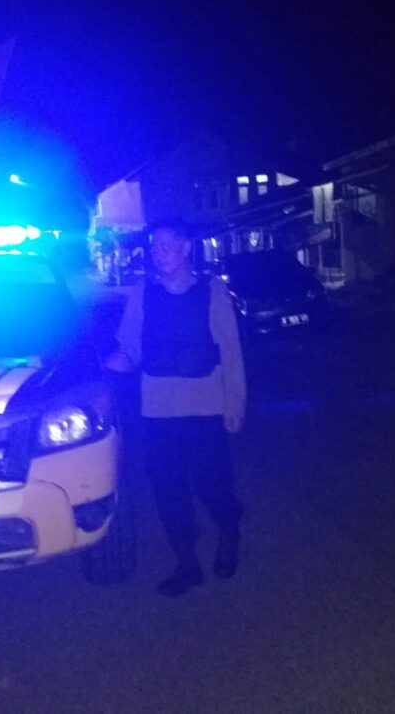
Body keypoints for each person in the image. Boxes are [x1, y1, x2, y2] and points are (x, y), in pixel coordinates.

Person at [106, 218, 246, 597]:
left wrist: (234, 402)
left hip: (205, 407)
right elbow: (130, 349)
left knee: (213, 484)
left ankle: (229, 528)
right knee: (168, 490)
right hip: (158, 411)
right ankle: (187, 562)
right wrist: (102, 370)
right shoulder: (142, 293)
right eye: (155, 246)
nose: (159, 253)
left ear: (185, 248)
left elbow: (231, 352)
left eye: (167, 246)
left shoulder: (213, 291)